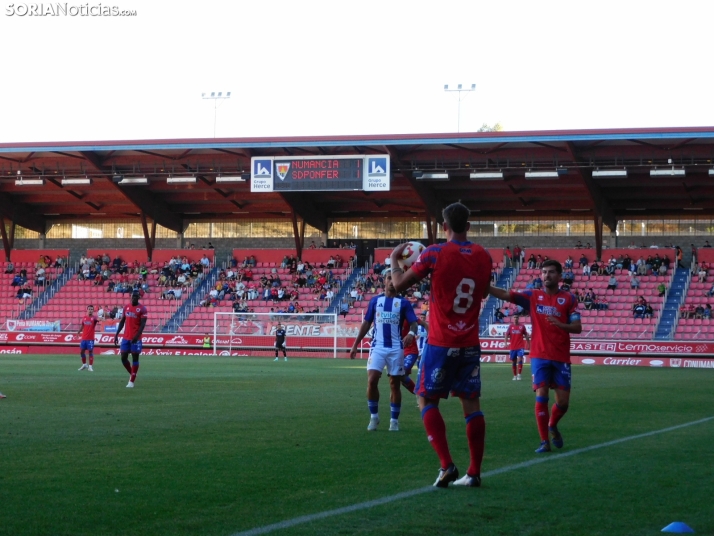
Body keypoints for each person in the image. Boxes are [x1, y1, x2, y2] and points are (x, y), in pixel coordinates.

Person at [390, 202, 491, 488]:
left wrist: (394, 260)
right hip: (470, 341)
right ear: (468, 226)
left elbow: (399, 285)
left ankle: (447, 466)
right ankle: (474, 472)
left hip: (440, 342)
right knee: (471, 404)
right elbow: (483, 291)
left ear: (443, 226)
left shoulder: (434, 253)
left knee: (426, 399)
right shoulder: (483, 255)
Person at [489, 260, 582, 454]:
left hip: (561, 356)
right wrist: (485, 286)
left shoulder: (569, 299)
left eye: (551, 272)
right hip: (539, 355)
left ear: (559, 276)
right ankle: (543, 441)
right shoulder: (533, 296)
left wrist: (561, 325)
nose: (546, 275)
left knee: (563, 403)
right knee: (542, 396)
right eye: (544, 272)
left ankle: (552, 425)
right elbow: (507, 294)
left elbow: (578, 327)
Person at [350, 270, 417, 433]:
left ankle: (394, 421)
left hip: (396, 348)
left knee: (395, 384)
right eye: (389, 278)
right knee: (372, 380)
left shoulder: (404, 303)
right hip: (377, 347)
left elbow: (414, 323)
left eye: (395, 278)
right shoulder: (375, 301)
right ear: (384, 281)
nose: (392, 281)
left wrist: (411, 333)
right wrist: (355, 344)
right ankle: (374, 417)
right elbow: (366, 324)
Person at [113, 290, 148, 388]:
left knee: (135, 358)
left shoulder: (142, 309)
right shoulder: (126, 307)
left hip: (136, 338)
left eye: (136, 297)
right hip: (126, 337)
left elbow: (142, 325)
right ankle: (133, 374)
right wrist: (116, 334)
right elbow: (122, 321)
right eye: (132, 296)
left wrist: (136, 337)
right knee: (123, 357)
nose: (134, 298)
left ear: (138, 298)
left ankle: (131, 381)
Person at [505, 315, 529, 381]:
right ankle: (515, 375)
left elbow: (526, 335)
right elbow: (506, 335)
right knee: (514, 361)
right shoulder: (510, 327)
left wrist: (529, 344)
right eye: (514, 317)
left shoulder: (522, 326)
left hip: (520, 346)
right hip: (513, 347)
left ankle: (519, 375)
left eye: (517, 317)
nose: (515, 318)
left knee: (520, 359)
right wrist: (505, 342)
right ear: (513, 318)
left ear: (518, 318)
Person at [77, 305, 99, 371]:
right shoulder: (84, 318)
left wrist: (101, 318)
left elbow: (98, 319)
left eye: (91, 309)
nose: (90, 310)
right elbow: (82, 325)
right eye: (89, 309)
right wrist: (78, 331)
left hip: (90, 338)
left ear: (93, 310)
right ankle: (84, 364)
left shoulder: (94, 318)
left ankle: (90, 366)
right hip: (84, 338)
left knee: (90, 351)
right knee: (81, 352)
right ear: (87, 310)